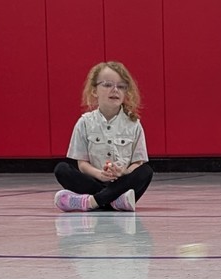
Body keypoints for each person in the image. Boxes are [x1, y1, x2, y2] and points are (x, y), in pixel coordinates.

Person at [53, 61, 153, 212]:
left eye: (121, 86)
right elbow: (82, 164)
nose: (115, 90)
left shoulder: (134, 124)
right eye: (107, 85)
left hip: (122, 183)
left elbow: (137, 163)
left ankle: (91, 202)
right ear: (94, 91)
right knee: (62, 169)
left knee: (146, 172)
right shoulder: (84, 123)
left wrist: (123, 172)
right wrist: (99, 174)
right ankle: (114, 201)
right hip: (95, 181)